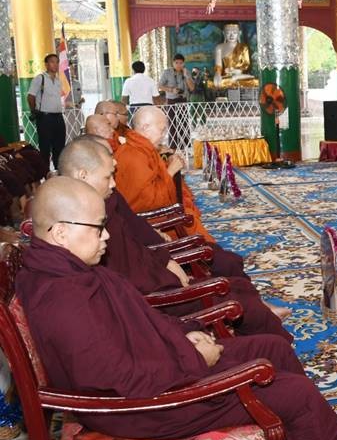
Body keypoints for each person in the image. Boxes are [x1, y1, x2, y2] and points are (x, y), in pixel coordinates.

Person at [16, 177, 337, 440]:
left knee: (272, 348)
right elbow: (113, 378)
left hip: (156, 366)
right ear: (61, 232)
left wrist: (185, 333)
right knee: (295, 394)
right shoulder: (63, 298)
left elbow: (138, 319)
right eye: (97, 228)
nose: (106, 236)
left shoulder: (70, 270)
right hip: (142, 406)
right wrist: (195, 359)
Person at [58, 137, 293, 339]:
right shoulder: (83, 223)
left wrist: (164, 259)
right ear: (83, 175)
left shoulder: (103, 202)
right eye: (108, 176)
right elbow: (124, 275)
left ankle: (260, 331)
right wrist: (165, 265)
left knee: (236, 282)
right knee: (236, 297)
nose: (113, 183)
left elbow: (134, 238)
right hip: (154, 298)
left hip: (155, 276)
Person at [114, 106, 212, 241]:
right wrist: (171, 170)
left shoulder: (141, 148)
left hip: (154, 213)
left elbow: (154, 176)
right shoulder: (133, 156)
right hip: (149, 221)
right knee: (191, 223)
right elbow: (149, 202)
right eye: (162, 130)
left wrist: (168, 165)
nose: (164, 135)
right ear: (145, 127)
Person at [27, 53, 67, 169]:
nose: (55, 64)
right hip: (45, 117)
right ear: (46, 64)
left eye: (57, 62)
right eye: (52, 62)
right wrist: (34, 111)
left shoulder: (58, 80)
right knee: (45, 147)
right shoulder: (40, 78)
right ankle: (45, 171)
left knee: (59, 145)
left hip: (58, 116)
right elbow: (30, 96)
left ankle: (58, 170)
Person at [158, 54, 195, 150]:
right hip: (171, 100)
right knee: (172, 123)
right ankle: (173, 146)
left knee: (184, 123)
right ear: (173, 63)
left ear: (184, 63)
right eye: (176, 63)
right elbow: (160, 85)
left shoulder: (187, 72)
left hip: (183, 100)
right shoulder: (167, 72)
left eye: (181, 63)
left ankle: (186, 145)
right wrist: (171, 90)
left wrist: (186, 76)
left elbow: (192, 88)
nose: (179, 65)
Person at [212, 24, 256, 88]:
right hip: (227, 75)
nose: (231, 35)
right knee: (216, 83)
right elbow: (218, 66)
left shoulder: (243, 47)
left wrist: (238, 70)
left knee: (255, 81)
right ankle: (235, 78)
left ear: (239, 33)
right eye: (228, 33)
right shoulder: (219, 47)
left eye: (234, 33)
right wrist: (217, 74)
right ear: (224, 33)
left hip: (239, 74)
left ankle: (238, 77)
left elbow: (246, 64)